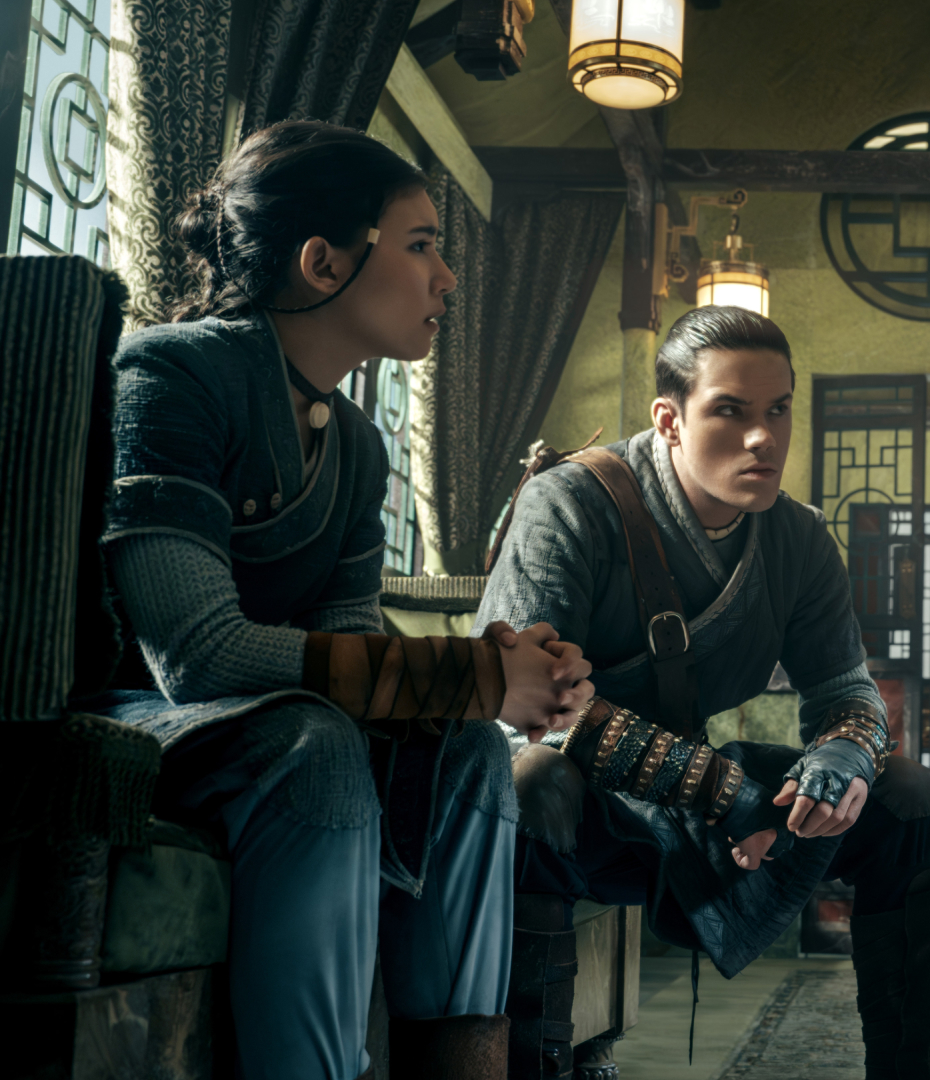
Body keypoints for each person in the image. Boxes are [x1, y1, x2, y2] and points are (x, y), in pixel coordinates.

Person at [89, 120, 594, 1080]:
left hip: (261, 720)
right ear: (323, 262)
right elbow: (197, 656)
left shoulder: (359, 445)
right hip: (142, 719)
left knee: (472, 758)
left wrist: (480, 684)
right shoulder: (171, 373)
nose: (448, 277)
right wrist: (469, 673)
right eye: (421, 245)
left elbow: (348, 646)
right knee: (317, 752)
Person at [478, 305, 930, 1079]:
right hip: (573, 810)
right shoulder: (567, 504)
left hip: (693, 794)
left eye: (777, 411)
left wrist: (844, 753)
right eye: (730, 412)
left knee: (907, 795)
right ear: (669, 419)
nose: (763, 439)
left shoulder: (797, 538)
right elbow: (537, 713)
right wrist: (718, 787)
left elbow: (845, 687)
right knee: (534, 785)